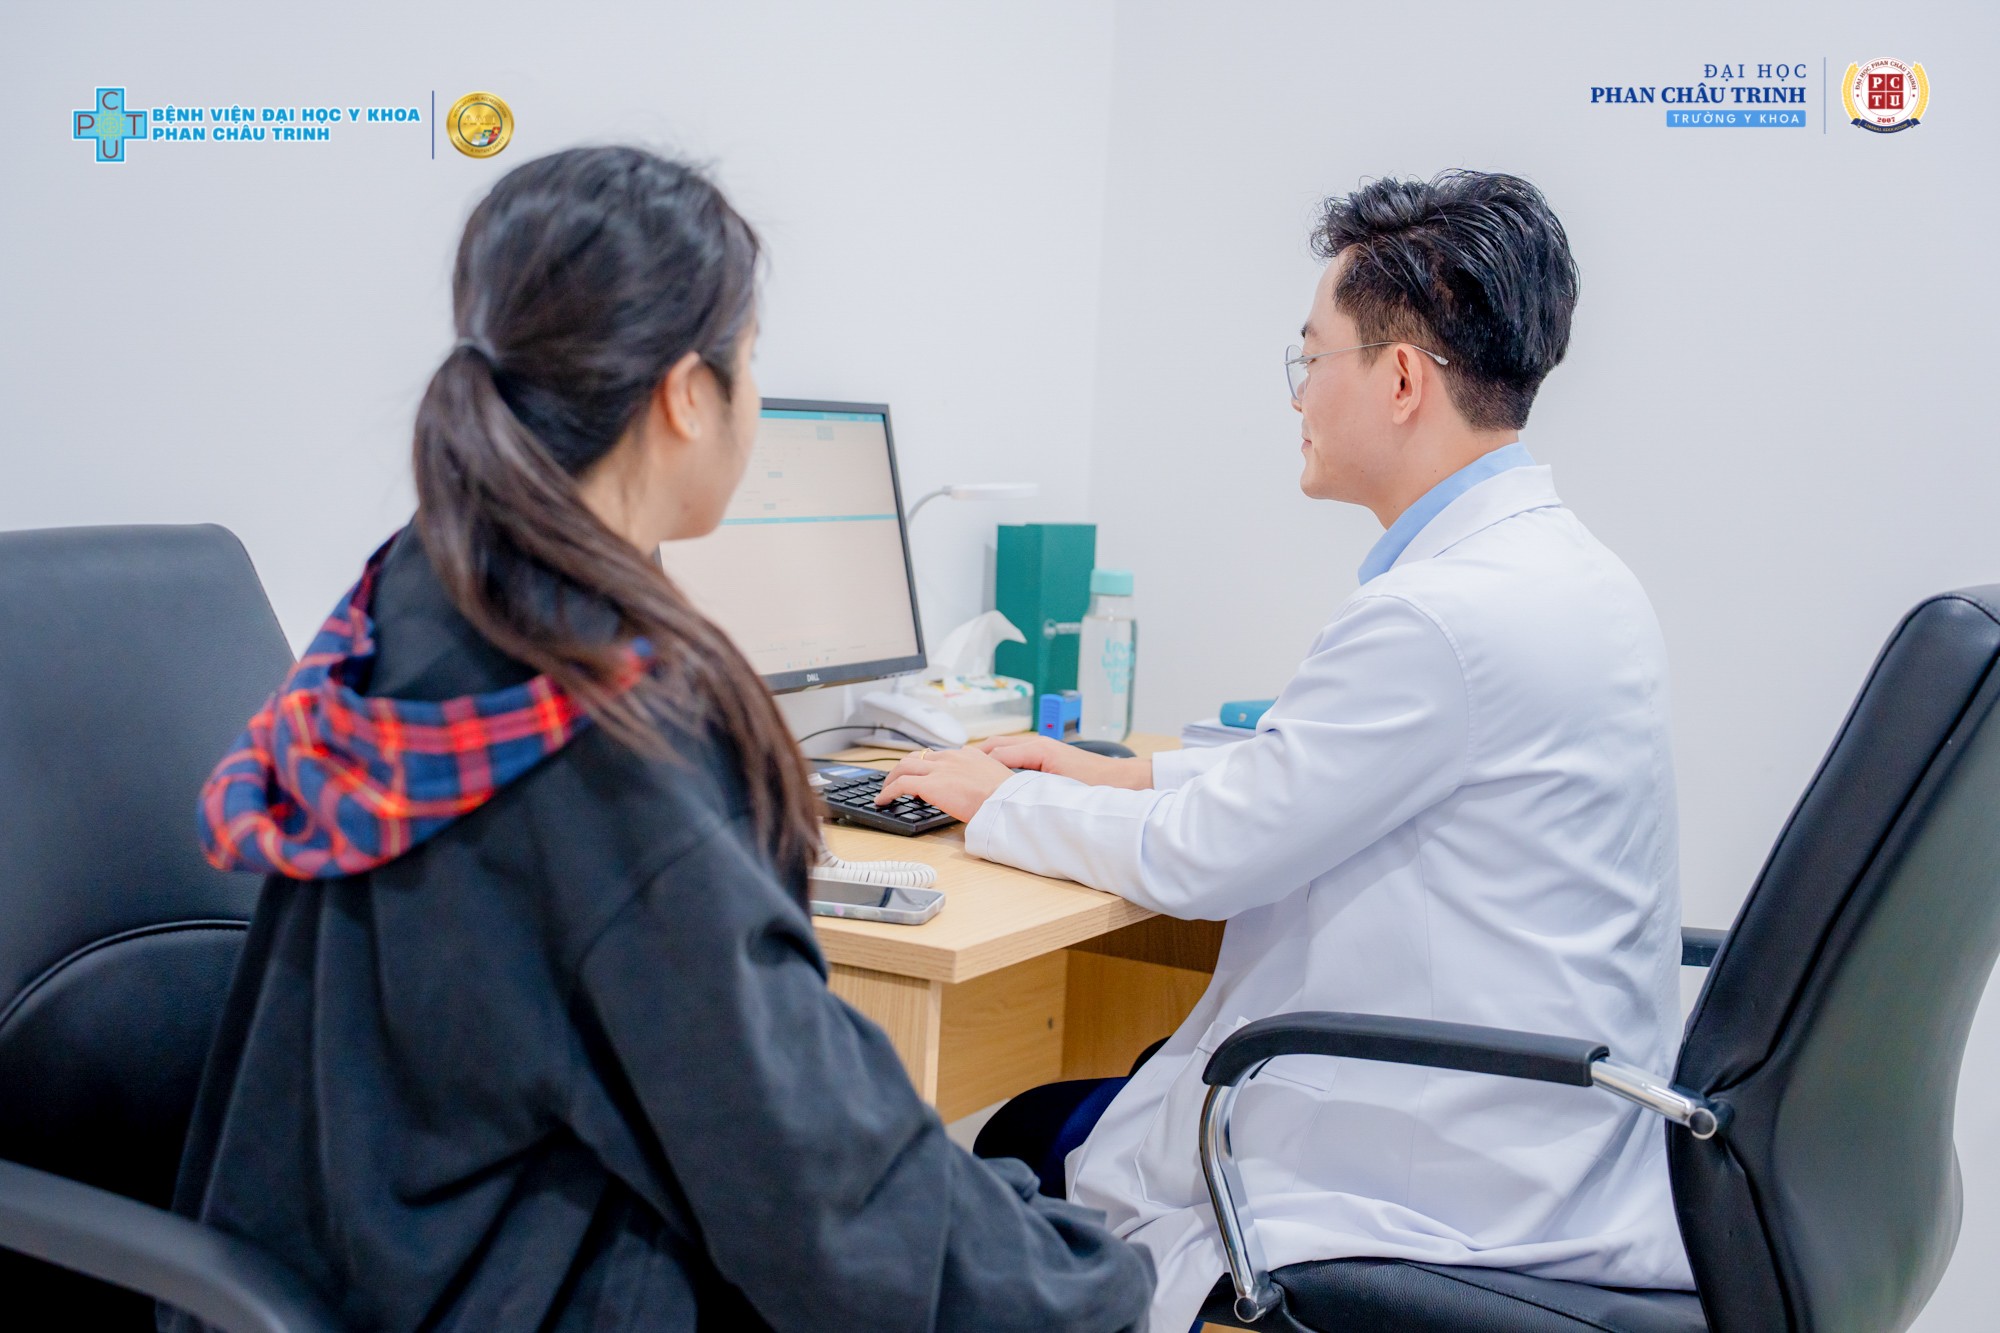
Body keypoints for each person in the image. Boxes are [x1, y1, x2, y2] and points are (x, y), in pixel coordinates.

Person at [172, 146, 1153, 1332]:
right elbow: (809, 1176)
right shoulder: (609, 743)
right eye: (750, 361)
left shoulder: (422, 596)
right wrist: (1091, 1289)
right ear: (688, 394)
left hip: (375, 1255)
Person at [876, 171, 1694, 1330]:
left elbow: (1205, 858)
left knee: (1022, 1146)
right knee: (1072, 1111)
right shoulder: (1567, 575)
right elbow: (1340, 777)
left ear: (1399, 380)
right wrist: (1131, 772)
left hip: (1436, 1170)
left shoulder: (1437, 616)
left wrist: (987, 800)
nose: (1299, 394)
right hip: (1554, 1138)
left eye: (1310, 358)